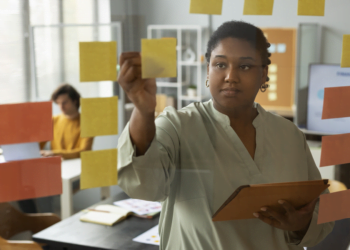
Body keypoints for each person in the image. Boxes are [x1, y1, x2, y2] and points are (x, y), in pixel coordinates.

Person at [116, 21, 334, 250]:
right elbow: (142, 185)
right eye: (220, 64)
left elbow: (322, 211)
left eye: (246, 66)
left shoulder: (289, 136)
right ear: (208, 71)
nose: (231, 76)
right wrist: (143, 111)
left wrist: (302, 223)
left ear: (264, 75)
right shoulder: (178, 126)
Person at [40, 83, 93, 159]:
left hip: (78, 165)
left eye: (64, 103)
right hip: (56, 164)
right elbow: (38, 145)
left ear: (74, 101)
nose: (61, 107)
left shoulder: (87, 123)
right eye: (58, 103)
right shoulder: (53, 120)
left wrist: (54, 153)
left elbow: (84, 151)